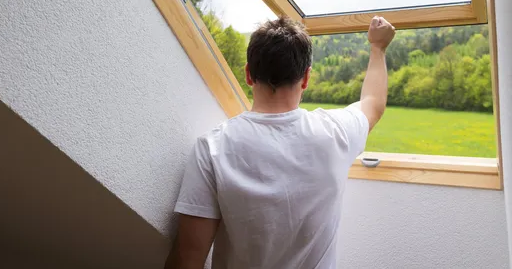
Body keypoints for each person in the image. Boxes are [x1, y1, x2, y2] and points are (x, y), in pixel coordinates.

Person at [165, 15, 396, 269]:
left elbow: (187, 260)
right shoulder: (335, 132)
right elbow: (373, 103)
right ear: (306, 78)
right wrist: (378, 47)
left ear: (249, 75)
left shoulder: (212, 149)